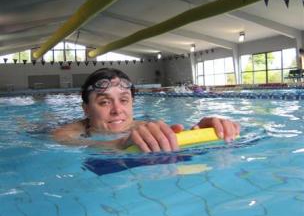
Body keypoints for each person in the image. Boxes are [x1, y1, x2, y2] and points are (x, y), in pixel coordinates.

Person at [52, 68, 240, 152]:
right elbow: (70, 143)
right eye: (104, 102)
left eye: (124, 100)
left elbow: (173, 138)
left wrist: (203, 129)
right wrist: (119, 144)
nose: (117, 110)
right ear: (86, 109)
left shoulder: (144, 126)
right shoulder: (71, 131)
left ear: (132, 103)